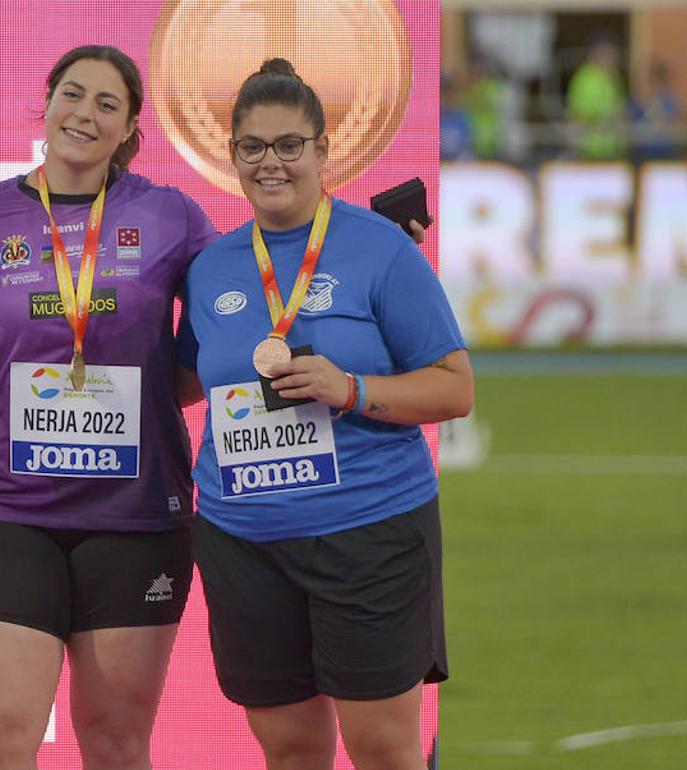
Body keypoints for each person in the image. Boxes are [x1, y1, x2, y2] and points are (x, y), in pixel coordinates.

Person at [176, 59, 473, 770]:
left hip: (366, 535)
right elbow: (193, 379)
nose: (270, 162)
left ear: (321, 150)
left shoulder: (380, 250)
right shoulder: (211, 265)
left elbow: (455, 387)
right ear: (233, 156)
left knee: (382, 751)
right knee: (290, 750)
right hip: (242, 540)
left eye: (288, 145)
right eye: (253, 146)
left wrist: (353, 390)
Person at [0, 45, 218, 770]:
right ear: (47, 101)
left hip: (136, 520)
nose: (84, 113)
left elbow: (220, 338)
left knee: (117, 745)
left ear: (129, 130)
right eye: (72, 94)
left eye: (107, 104)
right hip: (10, 516)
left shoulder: (172, 218)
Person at [567, 33, 627, 160]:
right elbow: (577, 115)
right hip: (588, 152)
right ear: (594, 53)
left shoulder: (614, 78)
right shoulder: (584, 78)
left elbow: (620, 108)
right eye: (607, 53)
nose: (613, 58)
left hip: (612, 151)